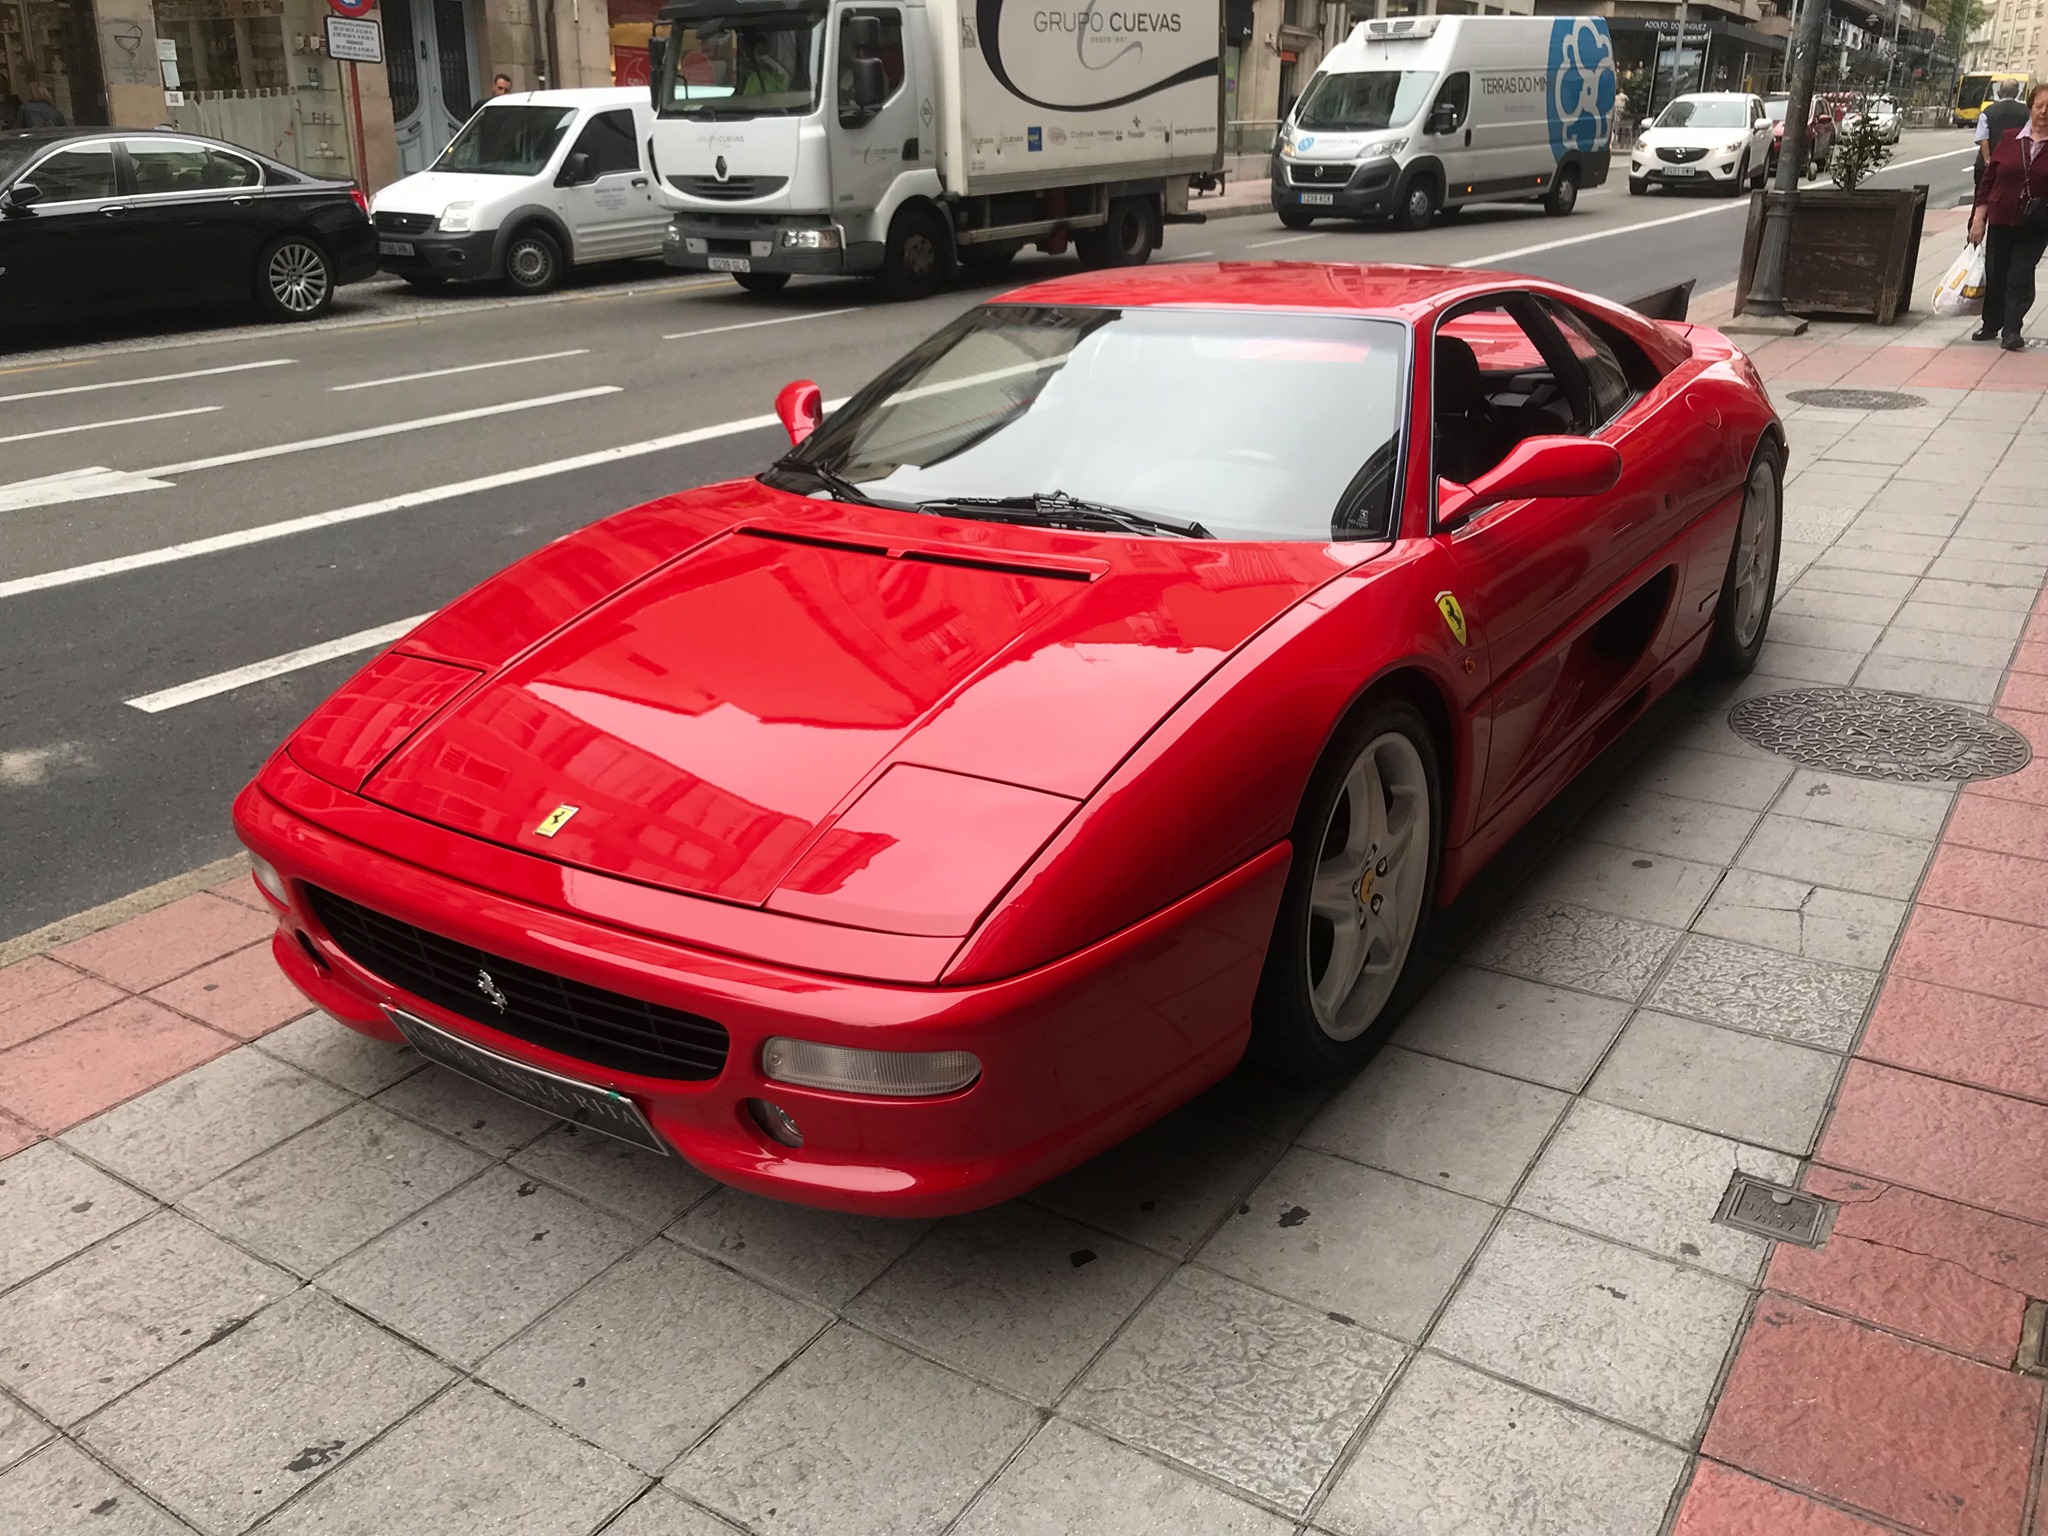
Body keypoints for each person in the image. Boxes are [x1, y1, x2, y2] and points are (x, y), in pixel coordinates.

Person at [1971, 81, 2048, 350]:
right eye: (2040, 105)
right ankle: (1991, 323)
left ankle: (2012, 330)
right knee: (1997, 272)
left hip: (2036, 224)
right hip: (2002, 218)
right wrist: (1979, 218)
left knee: (2020, 274)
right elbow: (1989, 180)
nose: (2044, 112)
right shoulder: (2009, 138)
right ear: (2030, 107)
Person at [1976, 77, 2026, 194]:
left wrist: (1988, 161)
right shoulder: (2026, 112)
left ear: (1999, 93)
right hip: (2015, 165)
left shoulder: (1988, 111)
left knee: (1982, 200)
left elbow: (1983, 138)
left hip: (1989, 166)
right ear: (2017, 93)